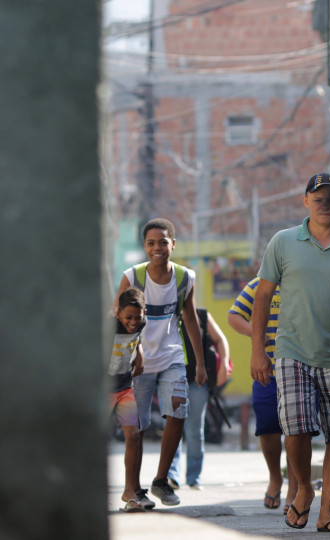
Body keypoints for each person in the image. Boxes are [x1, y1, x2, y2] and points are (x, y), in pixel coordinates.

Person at [251, 173, 330, 533]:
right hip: (292, 351)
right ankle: (303, 488)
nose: (324, 204)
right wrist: (259, 350)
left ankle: (327, 511)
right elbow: (262, 296)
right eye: (317, 198)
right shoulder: (283, 242)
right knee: (296, 427)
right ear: (305, 201)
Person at [117, 218, 208, 507]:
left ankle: (161, 481)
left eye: (163, 242)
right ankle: (132, 490)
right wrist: (130, 355)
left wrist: (201, 363)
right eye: (151, 243)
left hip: (172, 357)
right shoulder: (132, 277)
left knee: (179, 412)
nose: (157, 248)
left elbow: (190, 319)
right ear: (145, 247)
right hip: (137, 365)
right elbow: (117, 319)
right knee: (136, 428)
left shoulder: (185, 278)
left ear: (173, 244)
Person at [227, 277, 301, 513]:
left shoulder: (304, 281)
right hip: (266, 367)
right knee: (267, 426)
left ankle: (295, 487)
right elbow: (234, 316)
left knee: (296, 429)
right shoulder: (258, 285)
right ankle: (275, 477)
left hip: (300, 366)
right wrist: (256, 333)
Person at [168, 308, 230, 490]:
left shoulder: (201, 315)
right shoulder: (164, 312)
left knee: (195, 430)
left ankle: (194, 477)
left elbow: (220, 339)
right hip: (170, 380)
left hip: (198, 381)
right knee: (171, 429)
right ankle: (172, 475)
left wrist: (224, 363)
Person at [109, 288, 148, 512]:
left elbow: (136, 337)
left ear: (144, 313)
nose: (133, 322)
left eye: (137, 317)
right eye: (128, 318)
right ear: (118, 314)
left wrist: (140, 352)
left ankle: (130, 492)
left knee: (133, 434)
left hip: (125, 388)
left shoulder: (140, 323)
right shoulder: (108, 327)